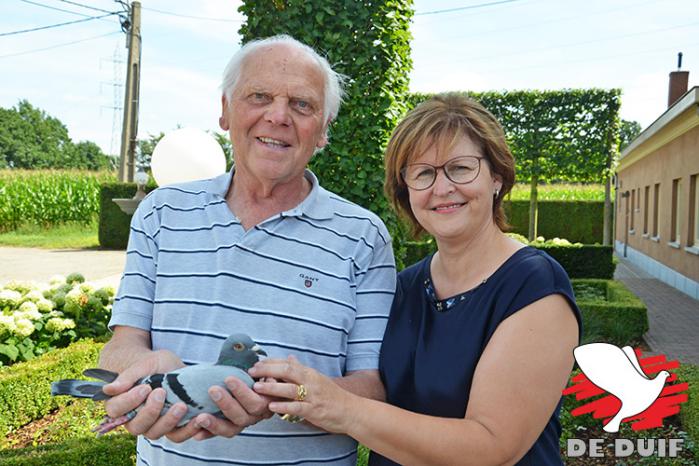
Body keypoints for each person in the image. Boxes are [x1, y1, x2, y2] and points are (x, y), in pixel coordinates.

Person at [98, 34, 396, 466]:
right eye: (259, 96)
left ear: (324, 130)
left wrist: (289, 398)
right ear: (225, 110)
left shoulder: (363, 236)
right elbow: (122, 346)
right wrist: (145, 368)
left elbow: (371, 387)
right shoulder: (161, 213)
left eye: (302, 105)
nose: (278, 116)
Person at [251, 93, 582, 465]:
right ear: (406, 193)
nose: (441, 188)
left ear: (497, 177)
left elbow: (492, 448)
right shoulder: (405, 286)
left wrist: (343, 408)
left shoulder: (533, 286)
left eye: (460, 168)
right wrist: (266, 391)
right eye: (423, 173)